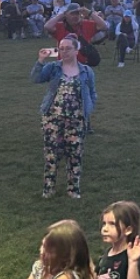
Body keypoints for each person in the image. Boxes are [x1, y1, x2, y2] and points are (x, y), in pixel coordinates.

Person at [31, 36, 97, 197]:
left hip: (76, 120)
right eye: (61, 48)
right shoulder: (53, 67)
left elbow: (92, 92)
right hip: (53, 119)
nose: (64, 51)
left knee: (75, 154)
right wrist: (40, 60)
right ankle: (49, 188)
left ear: (76, 50)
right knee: (51, 154)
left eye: (68, 48)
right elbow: (35, 78)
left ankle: (73, 189)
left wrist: (89, 109)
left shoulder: (86, 71)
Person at [26, 219, 94, 279]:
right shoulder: (40, 267)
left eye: (49, 251)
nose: (42, 251)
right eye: (43, 245)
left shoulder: (67, 277)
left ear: (65, 256)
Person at [97, 201, 140, 279]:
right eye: (104, 223)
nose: (105, 229)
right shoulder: (107, 254)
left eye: (112, 224)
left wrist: (133, 263)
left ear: (128, 230)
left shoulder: (132, 256)